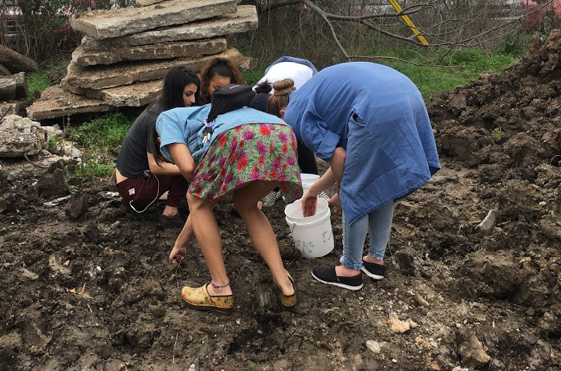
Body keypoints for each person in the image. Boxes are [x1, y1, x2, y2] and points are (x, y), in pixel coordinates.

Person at [268, 62, 440, 290]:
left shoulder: (295, 115)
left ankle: (349, 270)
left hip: (376, 105)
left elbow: (338, 158)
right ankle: (375, 260)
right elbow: (347, 158)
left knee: (354, 189)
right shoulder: (312, 97)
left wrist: (342, 191)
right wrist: (314, 191)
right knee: (380, 179)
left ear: (282, 114)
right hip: (405, 93)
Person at [157, 97, 302, 313]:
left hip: (238, 136)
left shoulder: (164, 119)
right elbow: (204, 199)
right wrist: (182, 241)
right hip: (281, 133)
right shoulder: (202, 114)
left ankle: (219, 289)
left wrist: (200, 199)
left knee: (196, 201)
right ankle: (284, 283)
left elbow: (188, 171)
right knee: (247, 205)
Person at [114, 66, 201, 226]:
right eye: (188, 94)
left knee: (184, 160)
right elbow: (155, 166)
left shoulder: (165, 111)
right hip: (131, 187)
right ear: (175, 92)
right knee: (185, 162)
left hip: (133, 178)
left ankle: (171, 203)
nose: (193, 100)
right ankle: (170, 212)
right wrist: (194, 169)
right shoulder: (158, 120)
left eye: (194, 94)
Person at [250, 56, 320, 205]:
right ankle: (272, 189)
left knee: (301, 141)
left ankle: (315, 186)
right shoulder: (257, 102)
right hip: (269, 96)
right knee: (271, 145)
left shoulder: (307, 92)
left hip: (296, 91)